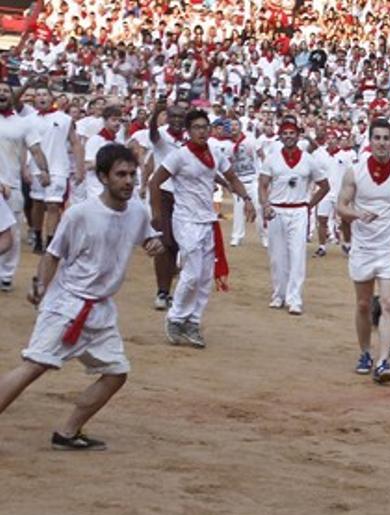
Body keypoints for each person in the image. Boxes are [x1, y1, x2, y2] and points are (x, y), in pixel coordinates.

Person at [0, 144, 162, 450]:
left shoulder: (138, 211)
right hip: (67, 304)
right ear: (103, 177)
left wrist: (155, 245)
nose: (128, 181)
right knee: (34, 366)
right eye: (121, 175)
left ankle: (68, 431)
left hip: (101, 310)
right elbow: (52, 255)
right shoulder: (80, 214)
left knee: (116, 373)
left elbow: (149, 239)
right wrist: (40, 286)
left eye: (132, 174)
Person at [148, 109, 256, 348]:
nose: (202, 132)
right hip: (185, 220)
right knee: (193, 272)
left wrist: (246, 199)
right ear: (188, 131)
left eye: (205, 127)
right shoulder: (180, 156)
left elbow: (232, 177)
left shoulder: (214, 153)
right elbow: (155, 181)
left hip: (207, 220)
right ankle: (176, 318)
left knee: (205, 276)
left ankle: (193, 321)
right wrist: (156, 214)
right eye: (196, 127)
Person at [336, 119, 390, 382]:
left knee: (389, 303)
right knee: (363, 304)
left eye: (386, 138)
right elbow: (341, 205)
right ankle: (365, 352)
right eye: (378, 138)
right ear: (370, 141)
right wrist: (357, 214)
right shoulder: (355, 171)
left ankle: (383, 361)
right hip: (363, 247)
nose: (382, 143)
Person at [258, 116, 331, 315]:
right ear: (280, 136)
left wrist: (310, 204)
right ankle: (278, 294)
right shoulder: (272, 159)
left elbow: (324, 186)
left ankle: (294, 298)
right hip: (276, 210)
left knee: (297, 255)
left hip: (299, 210)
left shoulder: (309, 160)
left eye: (292, 133)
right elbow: (263, 184)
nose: (289, 137)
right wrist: (265, 204)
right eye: (285, 134)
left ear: (298, 136)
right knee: (277, 255)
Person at [0, 82, 51, 294]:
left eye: (5, 90)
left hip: (11, 183)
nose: (2, 93)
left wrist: (44, 171)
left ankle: (5, 275)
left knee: (12, 232)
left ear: (13, 96)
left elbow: (36, 150)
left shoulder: (22, 124)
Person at [26, 86, 84, 256]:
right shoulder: (29, 120)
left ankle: (51, 241)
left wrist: (79, 168)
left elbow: (75, 143)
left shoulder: (65, 119)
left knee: (53, 204)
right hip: (35, 168)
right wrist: (25, 167)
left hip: (59, 167)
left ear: (52, 99)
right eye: (38, 95)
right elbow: (24, 145)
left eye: (45, 94)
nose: (41, 97)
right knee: (37, 203)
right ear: (34, 100)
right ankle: (37, 236)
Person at [146, 101, 188, 310]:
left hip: (185, 196)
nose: (178, 121)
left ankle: (175, 291)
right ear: (167, 117)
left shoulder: (191, 137)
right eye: (174, 117)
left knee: (179, 245)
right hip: (163, 193)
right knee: (164, 243)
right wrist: (155, 115)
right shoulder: (161, 134)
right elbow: (152, 135)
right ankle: (162, 292)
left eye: (182, 117)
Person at [226, 120, 263, 247]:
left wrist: (263, 173)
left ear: (240, 127)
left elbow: (261, 154)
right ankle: (237, 236)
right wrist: (230, 181)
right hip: (239, 180)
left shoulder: (250, 140)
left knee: (259, 207)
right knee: (238, 209)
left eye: (235, 125)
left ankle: (264, 236)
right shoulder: (228, 145)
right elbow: (228, 163)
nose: (233, 127)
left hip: (253, 179)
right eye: (231, 126)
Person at [81, 106, 123, 202]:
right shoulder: (95, 140)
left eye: (119, 121)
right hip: (96, 188)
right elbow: (87, 165)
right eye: (114, 120)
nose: (117, 123)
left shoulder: (118, 142)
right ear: (105, 121)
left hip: (112, 187)